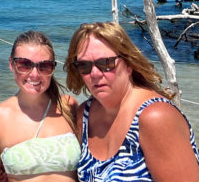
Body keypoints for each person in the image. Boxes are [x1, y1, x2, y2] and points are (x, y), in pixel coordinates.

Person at [65, 22, 199, 181]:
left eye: (106, 63)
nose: (94, 73)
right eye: (84, 65)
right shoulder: (85, 116)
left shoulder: (155, 118)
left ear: (129, 64)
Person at [0, 31, 81, 182]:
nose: (34, 74)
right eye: (24, 64)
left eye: (44, 66)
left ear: (53, 68)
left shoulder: (68, 107)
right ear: (11, 65)